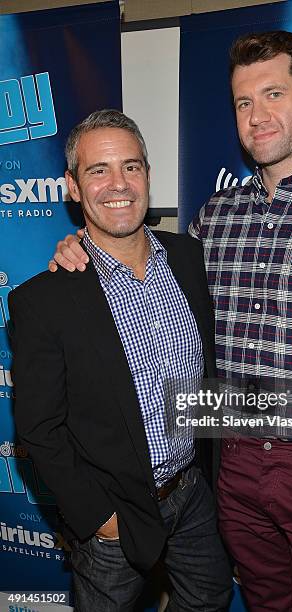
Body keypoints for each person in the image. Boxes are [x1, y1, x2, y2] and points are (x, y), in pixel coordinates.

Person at [49, 32, 292, 612]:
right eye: (244, 102)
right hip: (233, 464)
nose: (257, 115)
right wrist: (78, 248)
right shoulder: (215, 218)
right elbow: (136, 258)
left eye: (274, 94)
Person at [9, 109, 232, 612]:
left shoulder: (188, 258)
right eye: (98, 170)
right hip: (114, 512)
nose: (119, 185)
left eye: (131, 167)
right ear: (72, 186)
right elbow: (39, 429)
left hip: (191, 491)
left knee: (209, 599)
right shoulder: (42, 301)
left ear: (149, 176)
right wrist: (98, 518)